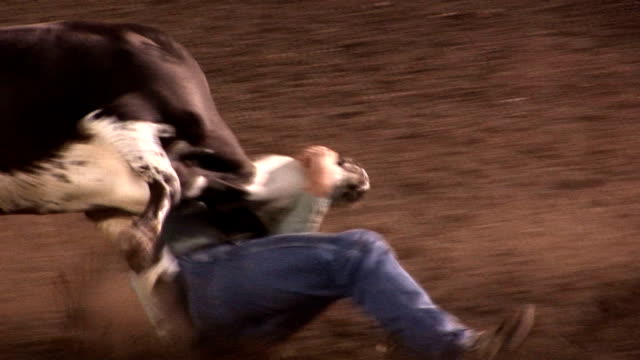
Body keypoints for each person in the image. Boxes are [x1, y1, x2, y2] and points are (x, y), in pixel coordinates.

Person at [136, 146, 535, 360]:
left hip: (224, 322)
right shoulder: (171, 174)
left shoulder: (226, 192)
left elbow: (285, 257)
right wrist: (319, 184)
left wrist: (318, 190)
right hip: (203, 281)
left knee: (336, 270)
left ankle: (418, 344)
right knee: (359, 251)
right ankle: (446, 348)